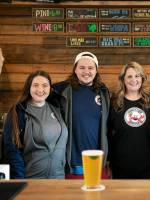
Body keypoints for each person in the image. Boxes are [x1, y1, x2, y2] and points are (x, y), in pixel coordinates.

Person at [52, 51, 110, 179]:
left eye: (90, 68)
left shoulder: (103, 92)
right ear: (75, 70)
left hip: (98, 159)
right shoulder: (62, 91)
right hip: (72, 161)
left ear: (96, 71)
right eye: (82, 67)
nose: (86, 71)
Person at [2, 70, 68, 179]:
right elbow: (12, 150)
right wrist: (19, 180)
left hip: (58, 178)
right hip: (32, 179)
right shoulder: (18, 112)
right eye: (35, 85)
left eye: (45, 85)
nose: (40, 89)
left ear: (50, 89)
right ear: (29, 87)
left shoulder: (57, 108)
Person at [108, 61, 150, 179]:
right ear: (123, 80)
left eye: (137, 76)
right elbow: (108, 133)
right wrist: (108, 161)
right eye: (129, 76)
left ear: (142, 78)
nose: (134, 80)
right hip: (121, 165)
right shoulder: (114, 103)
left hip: (149, 165)